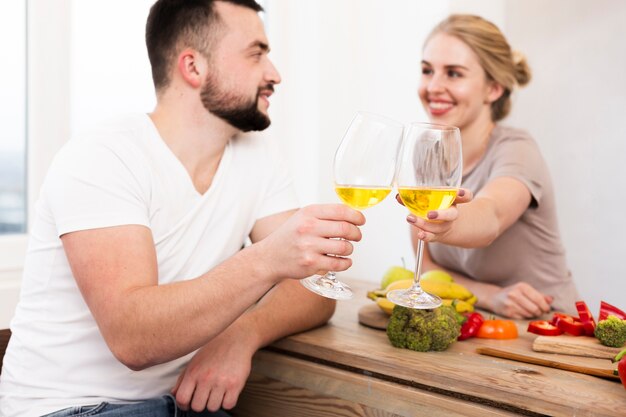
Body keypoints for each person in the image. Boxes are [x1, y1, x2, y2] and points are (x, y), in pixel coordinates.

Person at [0, 1, 366, 416]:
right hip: (72, 408)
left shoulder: (257, 153)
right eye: (256, 53)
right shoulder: (104, 156)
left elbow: (316, 290)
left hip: (180, 405)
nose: (274, 74)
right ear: (193, 67)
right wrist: (268, 260)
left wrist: (242, 333)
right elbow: (133, 339)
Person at [403, 14, 579, 319]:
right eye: (427, 70)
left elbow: (491, 216)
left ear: (493, 89)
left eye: (454, 74)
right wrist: (490, 296)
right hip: (482, 324)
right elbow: (428, 265)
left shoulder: (517, 150)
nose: (433, 86)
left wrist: (448, 223)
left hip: (549, 328)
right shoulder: (427, 148)